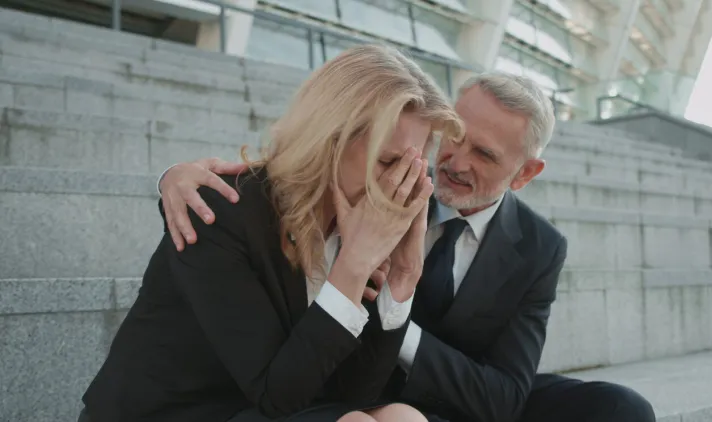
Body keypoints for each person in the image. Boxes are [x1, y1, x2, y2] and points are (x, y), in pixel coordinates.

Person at [159, 73, 656, 422]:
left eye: (483, 154)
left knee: (622, 410)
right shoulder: (384, 180)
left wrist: (401, 324)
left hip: (462, 399)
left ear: (525, 173)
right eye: (453, 137)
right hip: (360, 387)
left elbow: (505, 397)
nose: (453, 162)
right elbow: (301, 167)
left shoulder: (541, 247)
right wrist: (176, 176)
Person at [79, 44, 464, 422]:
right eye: (389, 161)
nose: (403, 182)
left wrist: (403, 278)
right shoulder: (219, 212)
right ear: (330, 138)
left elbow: (355, 395)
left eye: (416, 166)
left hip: (266, 410)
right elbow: (276, 396)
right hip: (182, 412)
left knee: (402, 416)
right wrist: (352, 267)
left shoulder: (360, 225)